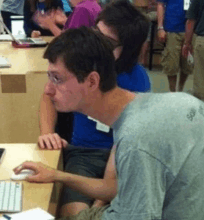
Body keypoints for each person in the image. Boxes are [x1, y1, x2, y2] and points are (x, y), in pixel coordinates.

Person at [14, 26, 204, 220]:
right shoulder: (179, 101)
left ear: (92, 81)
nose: (48, 90)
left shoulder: (136, 139)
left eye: (57, 79)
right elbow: (125, 190)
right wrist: (57, 175)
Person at [38, 0, 151, 216]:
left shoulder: (137, 82)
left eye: (106, 42)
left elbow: (127, 146)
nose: (94, 45)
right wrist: (47, 133)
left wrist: (100, 201)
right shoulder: (80, 63)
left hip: (121, 159)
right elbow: (47, 95)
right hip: (83, 154)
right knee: (73, 213)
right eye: (94, 33)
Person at [157, 0, 193, 92]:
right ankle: (172, 91)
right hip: (172, 29)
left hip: (191, 30)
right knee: (171, 64)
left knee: (187, 65)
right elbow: (160, 5)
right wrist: (160, 28)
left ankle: (180, 89)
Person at [33, 0, 101, 36]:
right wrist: (65, 21)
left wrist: (50, 25)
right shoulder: (93, 5)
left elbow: (68, 43)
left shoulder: (81, 9)